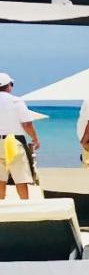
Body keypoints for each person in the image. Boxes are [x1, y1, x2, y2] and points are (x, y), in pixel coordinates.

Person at [0, 72, 40, 200]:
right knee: (20, 178)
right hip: (14, 142)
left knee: (0, 179)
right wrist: (35, 139)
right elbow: (27, 124)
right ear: (9, 86)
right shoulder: (16, 101)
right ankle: (24, 205)